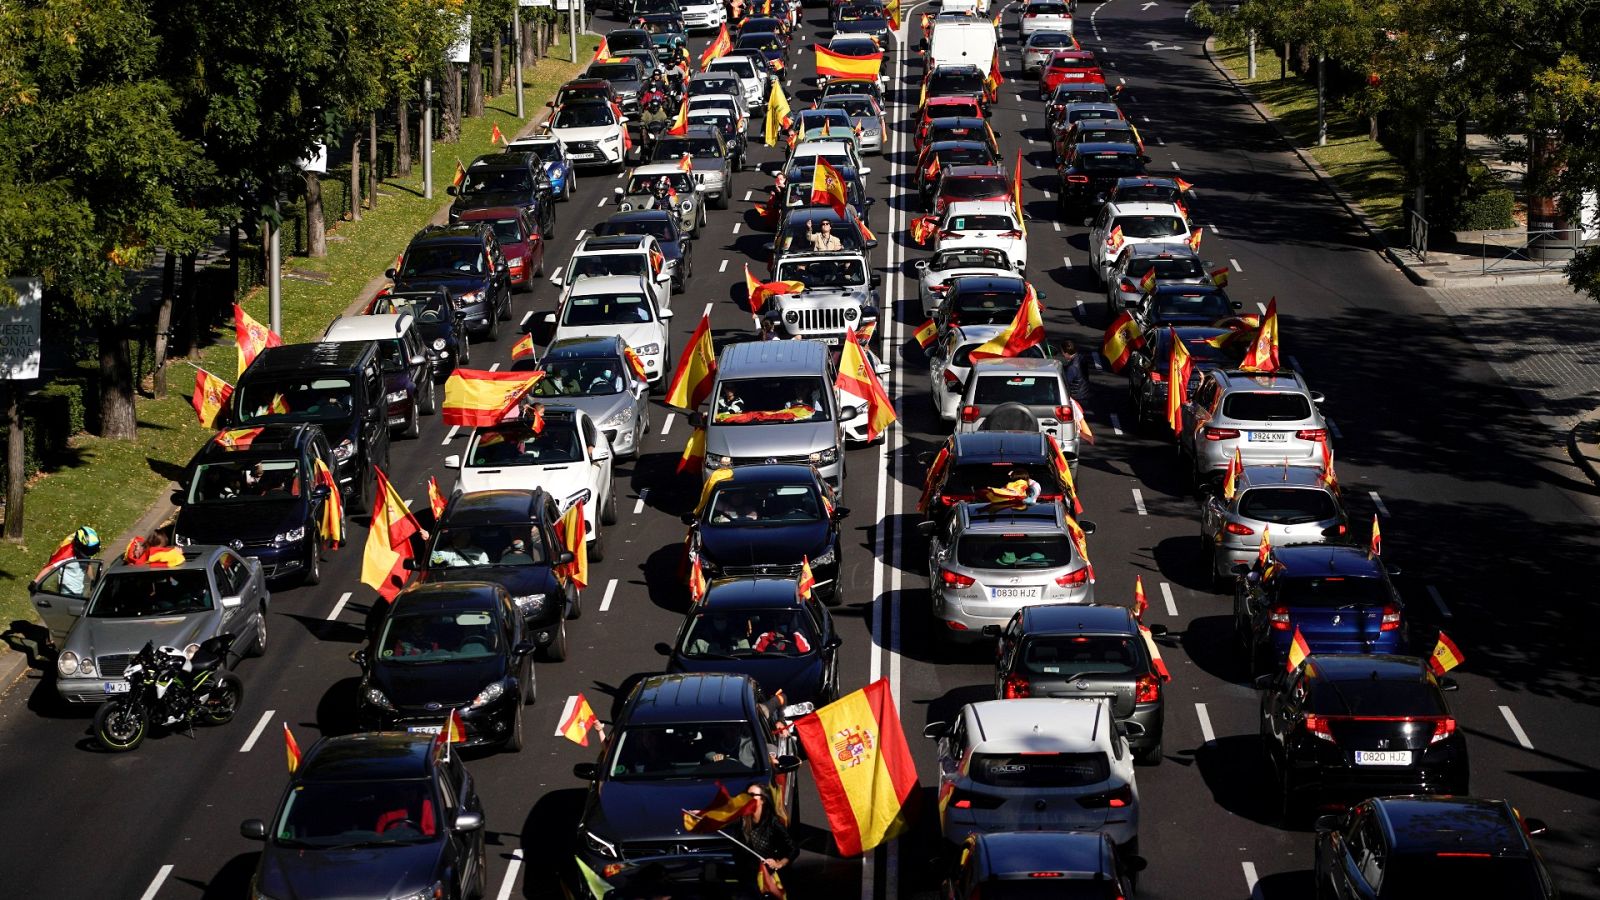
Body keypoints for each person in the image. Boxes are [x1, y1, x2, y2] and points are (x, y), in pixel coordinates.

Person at [738, 783, 798, 887]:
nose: (748, 798)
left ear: (763, 800)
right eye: (747, 795)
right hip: (752, 877)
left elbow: (794, 849)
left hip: (773, 878)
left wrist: (779, 863)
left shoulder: (773, 822)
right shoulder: (742, 821)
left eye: (752, 795)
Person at [57, 526, 101, 597]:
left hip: (79, 590)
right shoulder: (66, 555)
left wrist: (93, 579)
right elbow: (49, 567)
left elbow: (88, 565)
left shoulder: (84, 552)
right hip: (66, 592)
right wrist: (37, 583)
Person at [1060, 338, 1092, 403]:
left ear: (1066, 353)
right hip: (1084, 392)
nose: (1062, 354)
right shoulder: (1080, 357)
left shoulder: (1072, 367)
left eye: (1062, 352)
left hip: (1077, 397)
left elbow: (1066, 383)